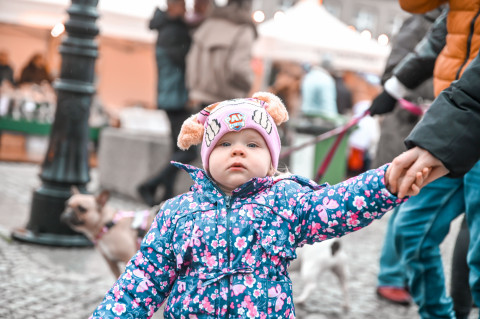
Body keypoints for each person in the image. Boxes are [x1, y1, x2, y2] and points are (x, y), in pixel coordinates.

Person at [89, 92, 426, 318]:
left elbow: (337, 204)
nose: (238, 151)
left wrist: (385, 184)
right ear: (205, 159)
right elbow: (142, 280)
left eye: (252, 143)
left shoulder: (285, 201)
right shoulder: (177, 213)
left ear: (270, 161)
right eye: (224, 144)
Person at [374, 2, 480, 318]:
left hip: (457, 115)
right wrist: (394, 88)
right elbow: (434, 35)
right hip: (452, 121)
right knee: (410, 228)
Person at [369, 8, 442, 306]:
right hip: (410, 125)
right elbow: (394, 71)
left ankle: (402, 275)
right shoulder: (423, 22)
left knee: (422, 202)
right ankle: (391, 276)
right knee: (407, 198)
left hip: (436, 121)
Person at [137, 0, 198, 206]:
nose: (186, 9)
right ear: (172, 6)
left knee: (177, 149)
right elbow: (185, 62)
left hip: (170, 96)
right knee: (188, 151)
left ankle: (166, 194)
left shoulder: (166, 27)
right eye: (182, 5)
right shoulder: (174, 30)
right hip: (177, 98)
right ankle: (150, 184)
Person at [186, 0, 257, 107]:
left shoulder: (207, 25)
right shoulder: (243, 30)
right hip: (228, 101)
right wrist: (250, 83)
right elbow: (239, 68)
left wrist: (194, 88)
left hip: (200, 99)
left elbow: (191, 61)